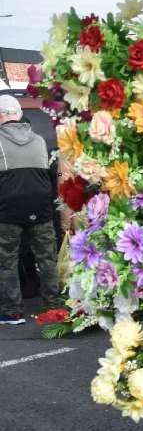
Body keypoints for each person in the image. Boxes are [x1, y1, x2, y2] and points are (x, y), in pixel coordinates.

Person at [0, 95, 59, 325]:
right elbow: (51, 173)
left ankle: (12, 311)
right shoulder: (39, 140)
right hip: (41, 208)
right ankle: (53, 305)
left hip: (8, 210)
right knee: (47, 258)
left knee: (7, 260)